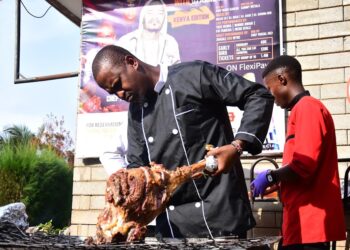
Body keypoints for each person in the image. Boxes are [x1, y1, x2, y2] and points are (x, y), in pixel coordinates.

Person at [92, 45, 274, 239]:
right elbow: (138, 166)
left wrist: (237, 146)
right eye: (112, 92)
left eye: (118, 84)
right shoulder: (136, 113)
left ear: (132, 62)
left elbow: (257, 95)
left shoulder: (192, 75)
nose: (119, 95)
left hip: (222, 218)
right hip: (173, 230)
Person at [251, 55, 346, 249]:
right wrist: (277, 184)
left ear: (282, 79)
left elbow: (304, 165)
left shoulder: (307, 108)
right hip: (299, 223)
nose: (271, 97)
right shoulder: (301, 109)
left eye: (270, 89)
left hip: (310, 225)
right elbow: (302, 167)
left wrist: (271, 176)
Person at [117, 0, 180, 67]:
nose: (155, 18)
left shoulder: (170, 43)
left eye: (160, 13)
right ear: (142, 15)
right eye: (150, 12)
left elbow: (177, 72)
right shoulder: (126, 42)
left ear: (164, 17)